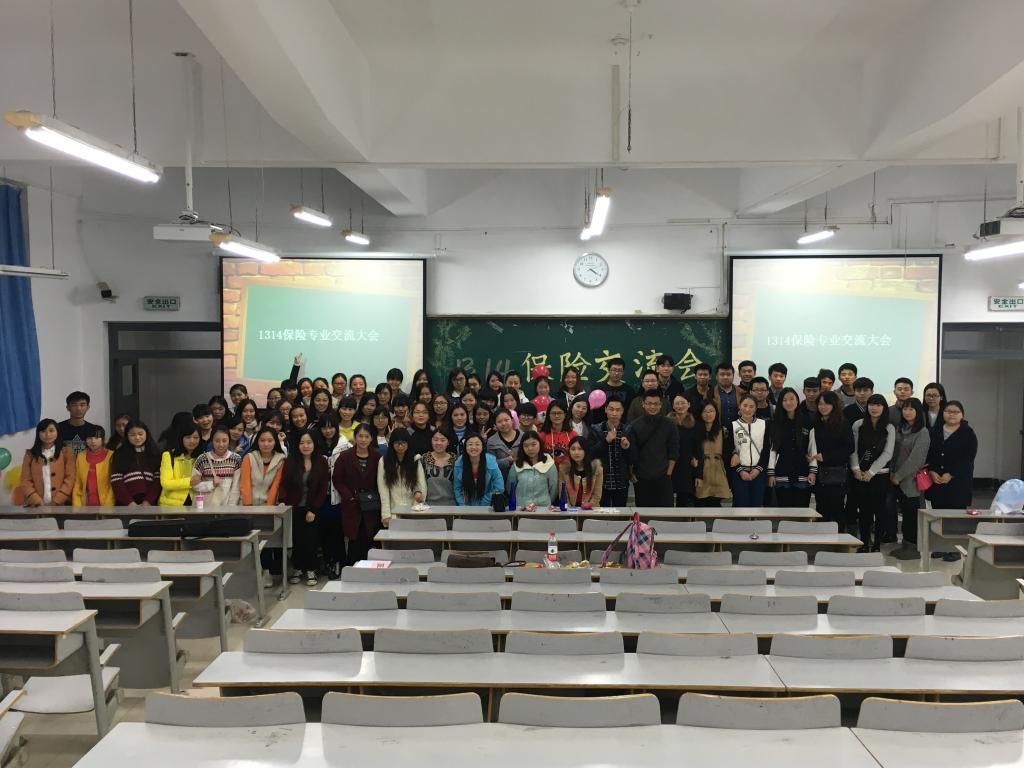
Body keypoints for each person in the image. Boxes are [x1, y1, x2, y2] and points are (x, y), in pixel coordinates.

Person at [924, 400, 978, 555]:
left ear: (962, 415)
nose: (952, 414)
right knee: (938, 516)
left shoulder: (968, 433)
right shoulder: (934, 431)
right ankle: (940, 548)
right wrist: (932, 471)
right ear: (943, 413)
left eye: (956, 412)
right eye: (948, 411)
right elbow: (928, 454)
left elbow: (968, 458)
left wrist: (951, 474)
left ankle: (954, 550)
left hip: (958, 483)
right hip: (937, 481)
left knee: (955, 518)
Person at [279, 431, 330, 585]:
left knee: (311, 540)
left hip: (312, 507)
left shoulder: (321, 461)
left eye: (309, 442)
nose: (305, 446)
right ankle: (298, 568)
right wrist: (282, 501)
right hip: (293, 507)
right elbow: (284, 484)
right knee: (297, 539)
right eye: (302, 443)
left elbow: (323, 488)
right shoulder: (291, 460)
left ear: (314, 444)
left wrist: (313, 509)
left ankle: (311, 569)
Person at [849, 394, 896, 552]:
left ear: (884, 408)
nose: (874, 408)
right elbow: (853, 449)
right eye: (871, 404)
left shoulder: (889, 427)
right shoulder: (858, 424)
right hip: (860, 475)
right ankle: (864, 543)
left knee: (880, 511)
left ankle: (876, 545)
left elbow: (888, 453)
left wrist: (871, 471)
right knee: (864, 512)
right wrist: (856, 469)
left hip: (880, 475)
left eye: (878, 405)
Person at [333, 424, 383, 565]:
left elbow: (381, 480)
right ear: (355, 437)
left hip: (371, 505)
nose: (363, 439)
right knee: (354, 539)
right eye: (360, 436)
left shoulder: (377, 457)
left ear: (371, 438)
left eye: (367, 436)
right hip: (352, 504)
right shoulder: (345, 456)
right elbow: (337, 479)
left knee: (369, 538)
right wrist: (349, 496)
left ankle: (369, 569)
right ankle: (352, 569)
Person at [889, 398, 931, 561]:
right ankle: (905, 545)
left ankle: (913, 548)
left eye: (911, 409)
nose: (907, 412)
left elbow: (916, 460)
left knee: (912, 515)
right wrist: (892, 473)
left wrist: (899, 476)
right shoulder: (900, 428)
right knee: (905, 514)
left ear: (918, 412)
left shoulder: (922, 432)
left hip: (910, 481)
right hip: (895, 478)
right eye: (905, 409)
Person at [768, 387, 817, 508]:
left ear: (797, 400)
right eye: (784, 400)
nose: (788, 402)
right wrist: (771, 473)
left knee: (802, 511)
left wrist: (813, 471)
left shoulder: (807, 421)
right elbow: (772, 450)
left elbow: (812, 448)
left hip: (803, 472)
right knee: (785, 511)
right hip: (782, 473)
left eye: (791, 399)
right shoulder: (775, 423)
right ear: (780, 403)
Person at [810, 391, 854, 527]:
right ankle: (821, 537)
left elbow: (849, 448)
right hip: (819, 473)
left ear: (834, 405)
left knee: (837, 509)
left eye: (827, 404)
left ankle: (838, 537)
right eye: (820, 404)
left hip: (837, 474)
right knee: (821, 508)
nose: (823, 407)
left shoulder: (843, 423)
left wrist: (826, 456)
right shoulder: (815, 422)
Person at [631, 390, 679, 507]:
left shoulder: (670, 424)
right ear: (643, 404)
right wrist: (633, 474)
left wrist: (668, 473)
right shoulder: (635, 425)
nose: (652, 407)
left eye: (656, 404)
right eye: (649, 403)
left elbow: (674, 450)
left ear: (661, 404)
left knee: (666, 513)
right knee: (643, 513)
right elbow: (632, 453)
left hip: (663, 477)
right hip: (642, 477)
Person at [589, 399, 636, 508]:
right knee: (602, 513)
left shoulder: (628, 430)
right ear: (605, 410)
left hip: (621, 482)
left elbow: (633, 458)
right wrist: (606, 441)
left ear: (622, 411)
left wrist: (627, 448)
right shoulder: (596, 429)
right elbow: (590, 454)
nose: (614, 413)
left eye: (618, 410)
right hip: (601, 482)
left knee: (620, 514)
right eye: (611, 409)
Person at [21, 418, 76, 506]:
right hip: (37, 506)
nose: (47, 434)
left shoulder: (66, 452)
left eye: (51, 430)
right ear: (38, 434)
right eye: (43, 431)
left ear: (57, 432)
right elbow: (25, 480)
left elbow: (70, 478)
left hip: (62, 504)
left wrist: (58, 500)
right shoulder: (30, 454)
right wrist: (36, 500)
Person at [729, 394, 770, 508]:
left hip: (759, 473)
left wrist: (758, 469)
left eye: (751, 406)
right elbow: (729, 450)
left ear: (756, 408)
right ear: (739, 406)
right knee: (740, 507)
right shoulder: (733, 425)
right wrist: (740, 471)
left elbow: (766, 449)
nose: (747, 409)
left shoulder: (763, 424)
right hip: (739, 473)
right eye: (745, 405)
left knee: (756, 507)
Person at [377, 428, 426, 523]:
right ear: (392, 444)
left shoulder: (415, 460)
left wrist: (417, 507)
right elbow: (383, 490)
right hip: (393, 511)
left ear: (408, 443)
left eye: (403, 443)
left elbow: (422, 485)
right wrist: (386, 514)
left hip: (413, 509)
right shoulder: (383, 461)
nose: (400, 446)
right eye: (397, 443)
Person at [110, 420, 162, 506]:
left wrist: (148, 501)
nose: (137, 438)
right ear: (127, 436)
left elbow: (158, 481)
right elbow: (116, 481)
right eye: (132, 435)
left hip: (150, 504)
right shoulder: (119, 454)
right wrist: (129, 502)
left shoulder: (155, 453)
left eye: (140, 434)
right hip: (126, 504)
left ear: (146, 434)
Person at [190, 425, 242, 507]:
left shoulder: (236, 459)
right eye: (217, 441)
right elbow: (194, 485)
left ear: (229, 440)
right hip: (206, 508)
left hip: (227, 508)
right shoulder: (202, 459)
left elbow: (236, 487)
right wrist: (212, 484)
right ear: (212, 441)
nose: (221, 444)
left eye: (224, 441)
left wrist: (231, 508)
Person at [232, 427, 285, 506]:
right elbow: (245, 484)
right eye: (262, 440)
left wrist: (269, 508)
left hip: (269, 507)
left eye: (270, 440)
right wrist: (248, 506)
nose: (266, 444)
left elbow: (275, 486)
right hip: (246, 505)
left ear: (275, 442)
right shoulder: (249, 457)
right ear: (257, 441)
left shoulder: (281, 460)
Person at [694, 401, 732, 507]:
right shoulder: (695, 430)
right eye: (705, 411)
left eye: (711, 411)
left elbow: (727, 452)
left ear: (716, 413)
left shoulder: (722, 430)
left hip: (718, 470)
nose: (708, 414)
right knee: (700, 503)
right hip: (702, 470)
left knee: (716, 504)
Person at [506, 432, 558, 510]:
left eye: (534, 444)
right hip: (521, 508)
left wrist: (546, 501)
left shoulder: (549, 463)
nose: (530, 448)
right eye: (526, 446)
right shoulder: (517, 465)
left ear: (540, 444)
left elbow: (554, 489)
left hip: (543, 508)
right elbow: (510, 488)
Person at [454, 434, 503, 506]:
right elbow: (457, 489)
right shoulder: (459, 463)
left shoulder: (491, 462)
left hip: (488, 506)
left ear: (482, 447)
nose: (473, 447)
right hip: (465, 506)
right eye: (470, 444)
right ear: (465, 447)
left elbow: (499, 487)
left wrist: (485, 503)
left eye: (477, 444)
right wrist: (463, 506)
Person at [157, 427, 201, 507]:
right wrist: (189, 482)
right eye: (188, 437)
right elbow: (166, 483)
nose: (192, 441)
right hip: (171, 506)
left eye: (196, 437)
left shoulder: (201, 457)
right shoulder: (168, 455)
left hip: (195, 504)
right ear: (181, 438)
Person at [73, 424, 114, 507]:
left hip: (107, 504)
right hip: (85, 505)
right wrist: (77, 507)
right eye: (89, 438)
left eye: (97, 437)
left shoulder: (111, 455)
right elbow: (77, 483)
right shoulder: (81, 456)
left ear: (103, 439)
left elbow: (113, 485)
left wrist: (108, 506)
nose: (93, 441)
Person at [668, 394, 697, 507]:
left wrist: (695, 458)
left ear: (688, 404)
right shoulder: (667, 422)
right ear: (673, 406)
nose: (680, 406)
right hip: (671, 463)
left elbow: (697, 445)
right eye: (677, 404)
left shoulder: (694, 423)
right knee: (668, 496)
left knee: (684, 498)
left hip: (687, 464)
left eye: (683, 403)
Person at [558, 436, 603, 508]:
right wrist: (568, 510)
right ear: (569, 451)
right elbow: (562, 493)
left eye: (580, 449)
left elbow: (597, 495)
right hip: (570, 510)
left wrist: (588, 507)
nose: (576, 452)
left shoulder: (597, 469)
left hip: (591, 509)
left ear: (586, 450)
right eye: (573, 449)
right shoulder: (564, 468)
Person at [591, 357, 634, 423]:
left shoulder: (629, 390)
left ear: (623, 372)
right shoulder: (599, 390)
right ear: (608, 370)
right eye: (614, 370)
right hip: (601, 426)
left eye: (620, 370)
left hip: (623, 426)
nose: (616, 373)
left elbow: (631, 412)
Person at [421, 431, 457, 505]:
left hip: (452, 504)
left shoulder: (455, 459)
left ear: (448, 442)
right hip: (428, 504)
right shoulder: (424, 459)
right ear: (431, 441)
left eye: (443, 440)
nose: (439, 443)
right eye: (436, 440)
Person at [486, 408, 523, 480]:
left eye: (506, 420)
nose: (503, 423)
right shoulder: (491, 441)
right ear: (495, 425)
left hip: (522, 478)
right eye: (499, 421)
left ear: (512, 420)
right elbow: (491, 464)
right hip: (501, 479)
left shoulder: (523, 437)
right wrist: (507, 461)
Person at [57, 391, 97, 455]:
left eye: (82, 405)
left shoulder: (94, 430)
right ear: (68, 407)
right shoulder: (58, 428)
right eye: (74, 405)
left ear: (88, 407)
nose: (78, 408)